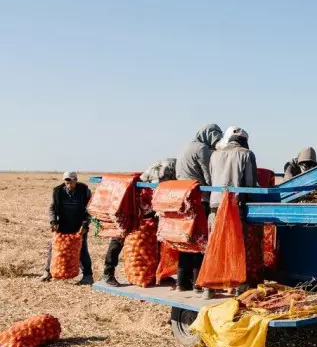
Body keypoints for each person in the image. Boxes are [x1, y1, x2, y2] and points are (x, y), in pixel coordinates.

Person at [101, 158, 178, 288]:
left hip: (148, 219)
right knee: (118, 240)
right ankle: (108, 272)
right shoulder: (139, 183)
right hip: (130, 215)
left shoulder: (163, 181)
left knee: (157, 244)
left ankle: (158, 274)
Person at [175, 124, 223, 297]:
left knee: (186, 240)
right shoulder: (202, 148)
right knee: (200, 241)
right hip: (198, 198)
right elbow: (210, 175)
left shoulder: (187, 146)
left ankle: (181, 281)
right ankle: (198, 283)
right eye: (215, 139)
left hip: (183, 197)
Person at [209, 127, 260, 293]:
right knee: (236, 245)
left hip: (215, 205)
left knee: (215, 245)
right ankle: (238, 284)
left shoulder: (215, 155)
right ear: (244, 141)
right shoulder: (246, 154)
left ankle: (210, 287)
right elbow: (250, 185)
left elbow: (211, 178)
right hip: (234, 207)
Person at [41, 172, 93, 284]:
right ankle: (47, 272)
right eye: (67, 180)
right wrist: (53, 221)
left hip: (79, 225)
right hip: (63, 224)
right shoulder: (58, 191)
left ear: (76, 180)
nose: (69, 183)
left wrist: (85, 224)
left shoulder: (84, 191)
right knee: (53, 247)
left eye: (71, 180)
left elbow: (91, 209)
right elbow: (52, 209)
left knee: (82, 249)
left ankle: (88, 276)